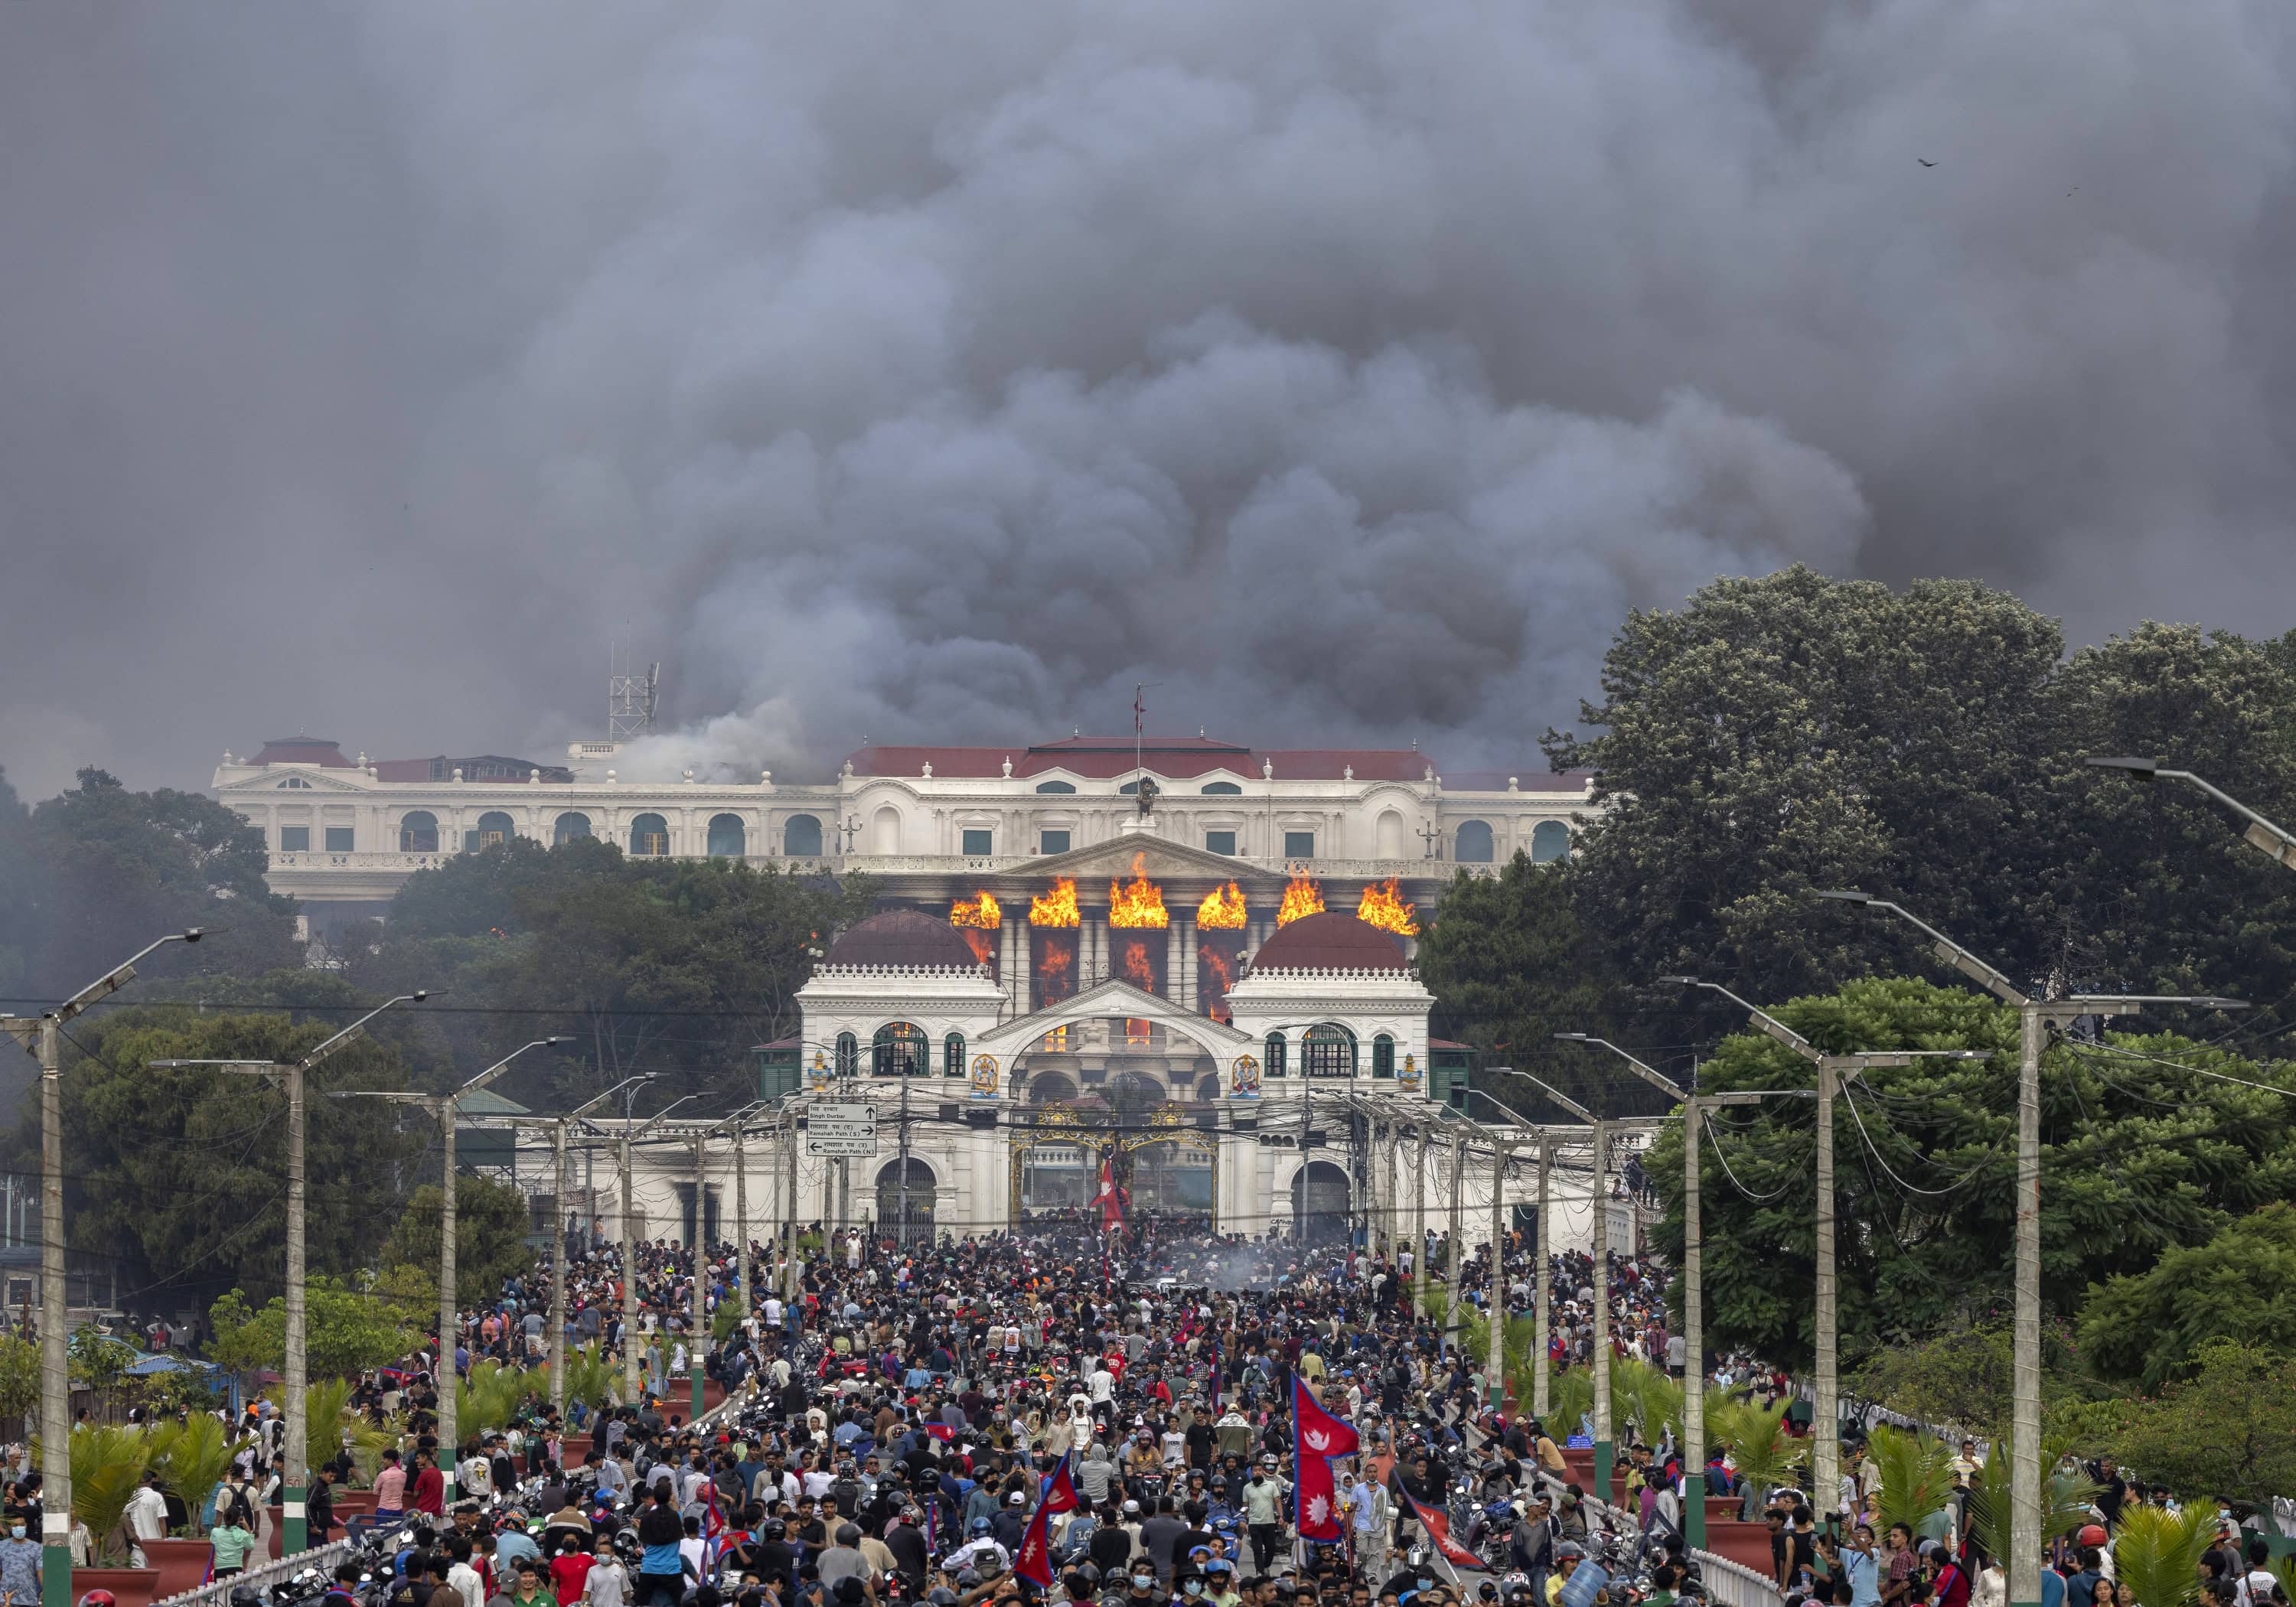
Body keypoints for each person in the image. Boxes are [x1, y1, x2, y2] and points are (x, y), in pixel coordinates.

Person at [0, 1516, 38, 1605]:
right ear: (9, 1527)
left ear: (26, 1525)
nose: (18, 1528)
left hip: (28, 1599)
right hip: (6, 1599)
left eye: (21, 1525)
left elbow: (41, 1571)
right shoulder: (2, 1546)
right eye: (15, 1525)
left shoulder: (36, 1547)